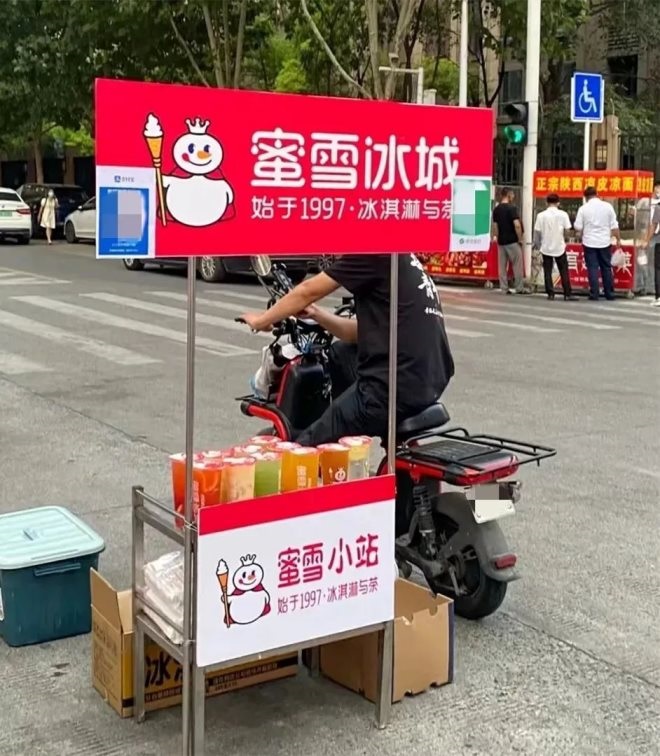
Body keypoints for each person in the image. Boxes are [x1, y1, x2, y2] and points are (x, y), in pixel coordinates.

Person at [239, 254, 455, 446]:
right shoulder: (401, 258)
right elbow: (357, 334)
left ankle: (328, 432)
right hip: (429, 379)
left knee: (307, 446)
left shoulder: (372, 253)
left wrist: (261, 320)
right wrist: (317, 314)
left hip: (393, 389)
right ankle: (340, 422)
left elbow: (307, 291)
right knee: (341, 353)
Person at [574, 186, 622, 301]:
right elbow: (614, 226)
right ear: (597, 194)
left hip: (589, 242)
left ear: (586, 197)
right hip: (605, 242)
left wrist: (581, 232)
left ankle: (594, 293)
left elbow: (578, 226)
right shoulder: (607, 206)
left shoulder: (583, 209)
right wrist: (618, 239)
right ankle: (609, 293)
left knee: (592, 268)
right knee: (606, 267)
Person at [533, 193, 578, 301]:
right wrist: (565, 239)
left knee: (547, 271)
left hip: (546, 246)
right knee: (563, 270)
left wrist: (538, 246)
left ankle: (550, 293)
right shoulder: (563, 214)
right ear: (558, 203)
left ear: (546, 203)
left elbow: (537, 232)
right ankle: (567, 293)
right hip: (559, 247)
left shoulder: (541, 215)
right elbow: (567, 230)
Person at [492, 187, 528, 294]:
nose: (513, 196)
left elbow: (495, 226)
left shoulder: (496, 209)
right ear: (508, 195)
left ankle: (504, 288)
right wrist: (520, 239)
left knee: (502, 266)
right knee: (517, 264)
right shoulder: (512, 208)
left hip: (501, 241)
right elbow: (517, 225)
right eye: (512, 195)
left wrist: (497, 237)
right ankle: (519, 287)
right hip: (512, 241)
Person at [642, 182, 660, 307]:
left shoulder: (658, 208)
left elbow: (653, 226)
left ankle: (659, 297)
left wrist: (646, 240)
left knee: (658, 268)